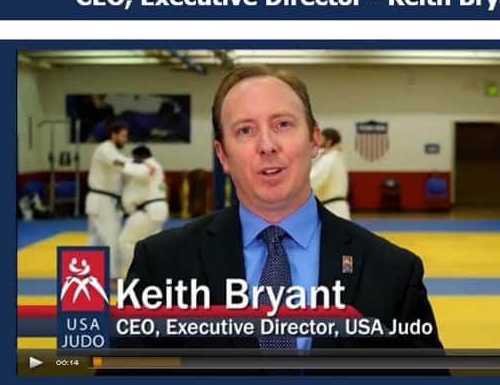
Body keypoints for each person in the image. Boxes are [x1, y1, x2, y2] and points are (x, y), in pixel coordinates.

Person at [124, 66, 444, 353]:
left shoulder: (393, 273)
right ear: (222, 155)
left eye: (283, 124)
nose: (267, 145)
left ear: (314, 140)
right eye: (245, 130)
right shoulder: (161, 266)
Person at [85, 122, 129, 279]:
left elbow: (122, 164)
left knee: (96, 239)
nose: (125, 139)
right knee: (112, 238)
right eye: (123, 136)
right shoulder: (105, 149)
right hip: (102, 201)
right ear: (113, 135)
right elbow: (119, 163)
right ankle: (113, 276)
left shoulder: (113, 152)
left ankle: (86, 275)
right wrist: (141, 165)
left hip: (101, 201)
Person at [118, 145, 169, 275]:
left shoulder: (149, 165)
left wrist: (121, 163)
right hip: (156, 209)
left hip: (148, 210)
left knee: (126, 241)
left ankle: (137, 274)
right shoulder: (156, 166)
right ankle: (154, 274)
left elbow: (143, 171)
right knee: (149, 244)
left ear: (140, 156)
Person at [310, 128, 351, 220]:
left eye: (321, 139)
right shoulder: (334, 156)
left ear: (329, 142)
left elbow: (314, 181)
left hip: (333, 209)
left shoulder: (329, 158)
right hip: (334, 207)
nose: (318, 142)